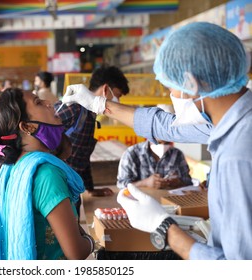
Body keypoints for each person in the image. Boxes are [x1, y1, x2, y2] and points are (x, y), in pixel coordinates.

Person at [62, 22, 252, 260]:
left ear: (191, 83)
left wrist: (165, 228)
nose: (171, 96)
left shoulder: (238, 154)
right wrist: (100, 104)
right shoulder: (228, 120)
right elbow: (163, 125)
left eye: (171, 88)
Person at [0, 88, 94, 260]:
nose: (49, 104)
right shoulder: (47, 174)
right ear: (27, 126)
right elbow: (76, 253)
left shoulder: (14, 167)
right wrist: (92, 240)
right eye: (38, 102)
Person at [54, 65, 130, 217]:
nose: (118, 101)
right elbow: (43, 134)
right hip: (57, 190)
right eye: (117, 95)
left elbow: (82, 156)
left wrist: (91, 188)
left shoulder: (90, 116)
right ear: (106, 89)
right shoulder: (73, 108)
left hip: (70, 190)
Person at [117, 138, 193, 190]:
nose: (162, 146)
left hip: (168, 202)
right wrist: (145, 183)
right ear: (149, 137)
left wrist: (178, 183)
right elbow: (121, 185)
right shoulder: (132, 153)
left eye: (166, 143)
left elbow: (188, 182)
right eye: (159, 143)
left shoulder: (177, 154)